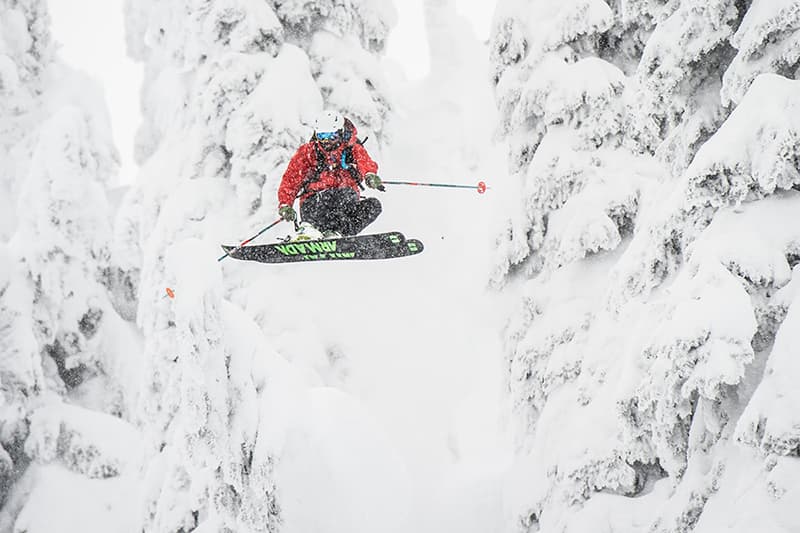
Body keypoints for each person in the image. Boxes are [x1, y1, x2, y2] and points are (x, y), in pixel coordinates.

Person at [276, 111, 385, 238]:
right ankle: (310, 230)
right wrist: (285, 204)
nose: (326, 141)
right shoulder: (308, 152)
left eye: (331, 136)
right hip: (314, 204)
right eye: (322, 136)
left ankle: (337, 234)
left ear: (340, 133)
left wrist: (370, 175)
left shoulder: (351, 149)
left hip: (345, 204)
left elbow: (364, 162)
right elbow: (291, 179)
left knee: (373, 205)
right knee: (330, 196)